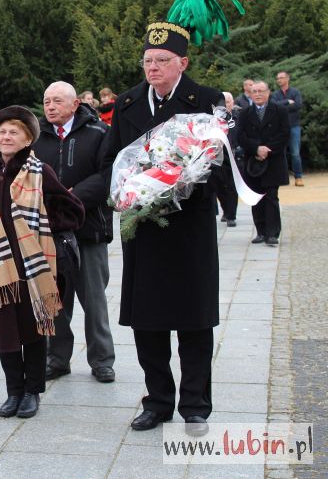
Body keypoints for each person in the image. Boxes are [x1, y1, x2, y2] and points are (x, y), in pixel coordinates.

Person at [102, 22, 226, 436]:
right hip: (144, 230)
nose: (152, 68)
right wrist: (124, 191)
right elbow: (113, 158)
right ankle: (157, 401)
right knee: (148, 322)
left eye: (161, 61)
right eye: (147, 61)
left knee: (194, 321)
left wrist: (178, 184)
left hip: (189, 229)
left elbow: (216, 165)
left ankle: (195, 405)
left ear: (182, 63)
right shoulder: (128, 101)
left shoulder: (206, 100)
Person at [0, 106, 84, 419]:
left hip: (31, 266)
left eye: (14, 131)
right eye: (2, 131)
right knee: (6, 333)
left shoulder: (40, 171)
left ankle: (32, 392)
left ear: (28, 138)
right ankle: (13, 391)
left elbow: (73, 209)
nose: (6, 136)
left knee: (33, 330)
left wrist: (40, 224)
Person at [33, 81, 116, 384]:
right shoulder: (37, 137)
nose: (50, 106)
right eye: (46, 101)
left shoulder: (98, 134)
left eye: (57, 101)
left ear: (75, 104)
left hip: (88, 229)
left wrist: (73, 195)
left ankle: (102, 360)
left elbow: (108, 175)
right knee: (54, 300)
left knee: (93, 300)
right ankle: (57, 358)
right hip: (50, 232)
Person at [238, 81, 290, 246]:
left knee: (272, 197)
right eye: (254, 91)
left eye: (261, 91)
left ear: (268, 93)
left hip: (273, 159)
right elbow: (240, 136)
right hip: (253, 161)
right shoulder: (245, 113)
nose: (258, 94)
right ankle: (260, 231)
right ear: (250, 93)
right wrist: (256, 148)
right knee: (257, 197)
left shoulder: (279, 110)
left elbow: (285, 133)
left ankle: (272, 233)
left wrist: (267, 149)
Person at [271, 71, 304, 186]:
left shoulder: (295, 92)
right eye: (277, 78)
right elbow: (274, 106)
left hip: (294, 126)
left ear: (287, 78)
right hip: (280, 128)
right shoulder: (275, 94)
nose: (279, 80)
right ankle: (283, 178)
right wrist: (287, 102)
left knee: (295, 153)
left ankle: (298, 177)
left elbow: (298, 105)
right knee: (281, 153)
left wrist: (282, 107)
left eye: (281, 77)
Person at [214, 91, 240, 227]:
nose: (225, 104)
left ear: (233, 103)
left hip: (235, 155)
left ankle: (231, 215)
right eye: (223, 102)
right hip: (219, 155)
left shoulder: (239, 116)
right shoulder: (215, 119)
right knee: (219, 186)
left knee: (231, 186)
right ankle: (226, 210)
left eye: (228, 102)